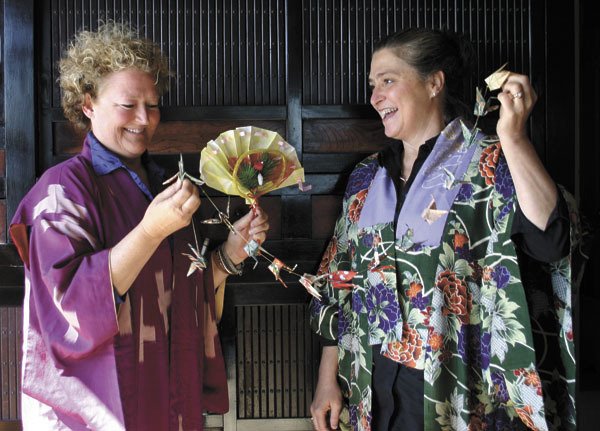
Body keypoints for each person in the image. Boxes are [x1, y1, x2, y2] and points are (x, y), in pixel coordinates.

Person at [309, 28, 580, 431]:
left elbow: (551, 241)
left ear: (434, 83)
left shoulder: (487, 161)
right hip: (371, 383)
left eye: (388, 81)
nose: (375, 97)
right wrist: (326, 379)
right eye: (372, 85)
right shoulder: (366, 177)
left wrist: (513, 137)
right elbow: (336, 279)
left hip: (455, 389)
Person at [10, 22, 269, 430]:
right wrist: (150, 231)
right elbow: (69, 308)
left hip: (167, 397)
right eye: (128, 105)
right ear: (88, 103)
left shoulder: (165, 185)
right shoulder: (61, 191)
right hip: (100, 410)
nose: (144, 119)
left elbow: (182, 296)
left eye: (152, 105)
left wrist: (227, 256)